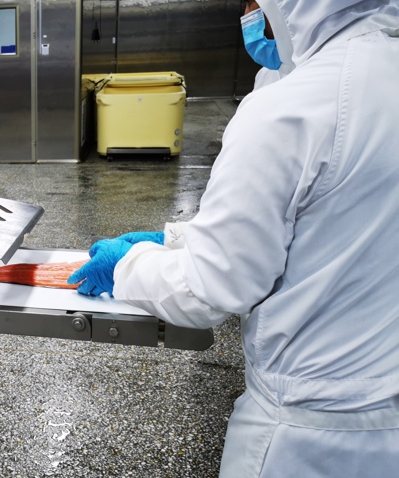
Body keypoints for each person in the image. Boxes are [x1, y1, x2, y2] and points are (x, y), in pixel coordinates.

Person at [68, 1, 399, 477]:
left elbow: (210, 290)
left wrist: (127, 264)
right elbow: (334, 219)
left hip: (308, 435)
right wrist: (177, 238)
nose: (253, 15)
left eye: (256, 3)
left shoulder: (294, 107)